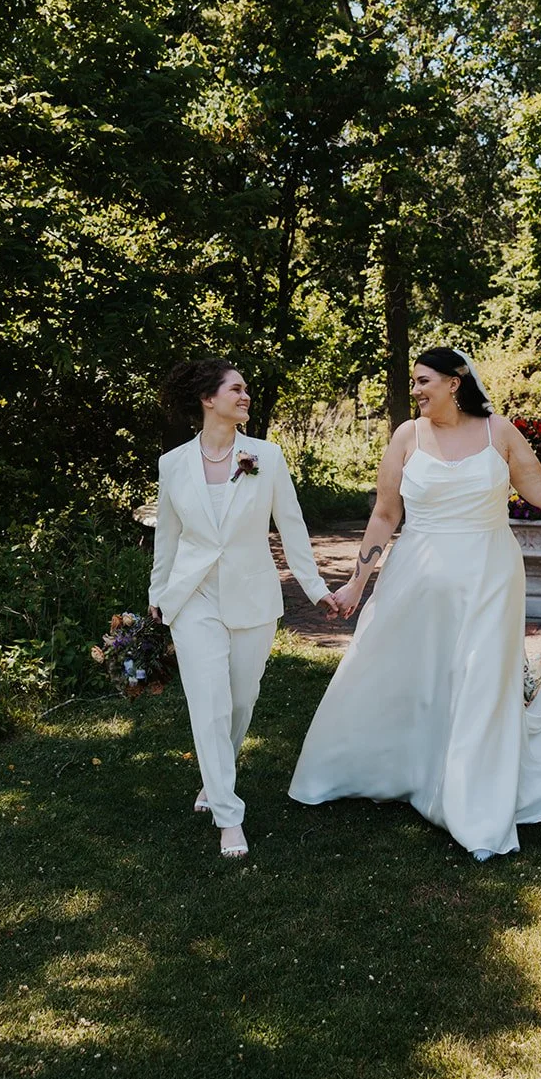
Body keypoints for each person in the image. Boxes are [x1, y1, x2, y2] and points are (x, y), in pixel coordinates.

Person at [289, 346, 541, 859]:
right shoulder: (407, 437)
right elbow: (385, 516)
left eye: (423, 380)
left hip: (489, 575)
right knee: (403, 673)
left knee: (480, 683)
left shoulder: (499, 433)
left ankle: (474, 806)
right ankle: (390, 769)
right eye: (413, 382)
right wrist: (355, 587)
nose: (416, 390)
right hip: (416, 577)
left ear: (455, 382)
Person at [149, 359, 337, 858]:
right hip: (194, 599)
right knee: (207, 702)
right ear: (209, 400)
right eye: (237, 389)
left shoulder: (266, 457)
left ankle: (214, 778)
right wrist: (157, 602)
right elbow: (166, 543)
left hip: (253, 597)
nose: (246, 396)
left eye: (247, 389)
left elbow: (292, 528)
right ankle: (229, 817)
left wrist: (316, 588)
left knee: (239, 701)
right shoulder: (172, 464)